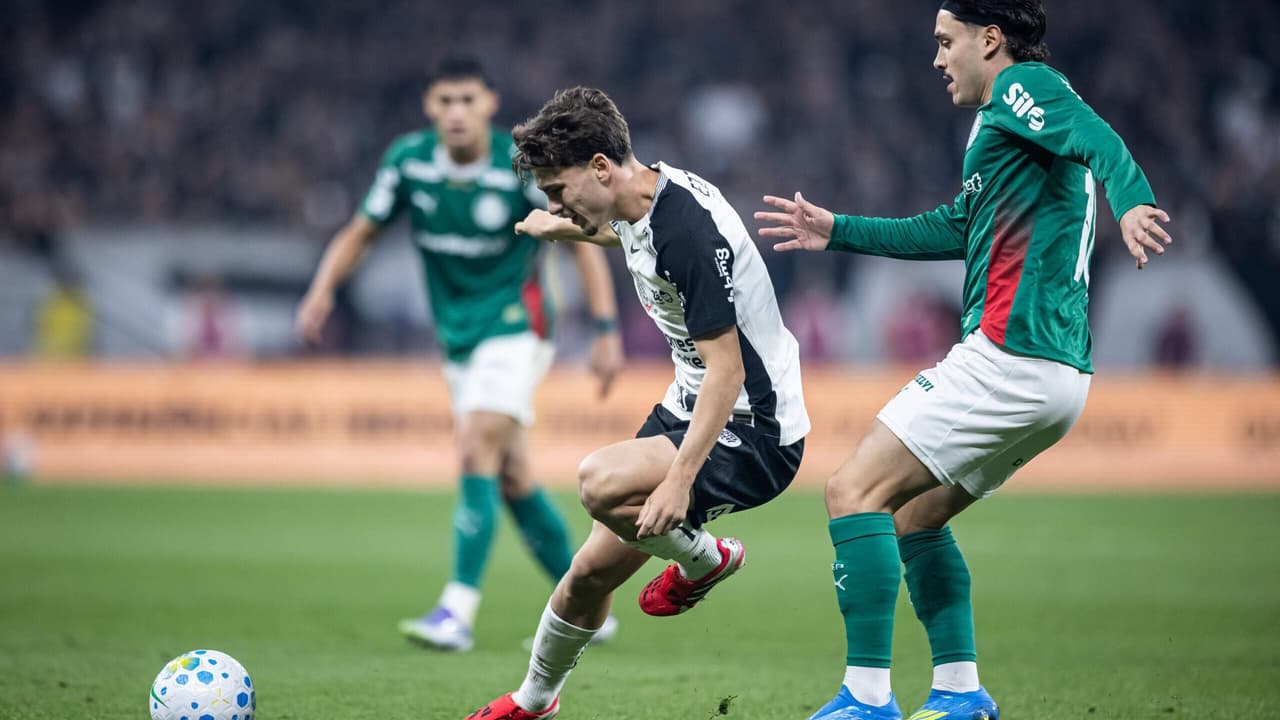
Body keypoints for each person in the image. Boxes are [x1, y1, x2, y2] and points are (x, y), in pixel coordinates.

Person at [755, 2, 1172, 718]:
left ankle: (866, 698)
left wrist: (1132, 202)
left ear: (991, 39)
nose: (938, 58)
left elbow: (1099, 139)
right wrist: (841, 229)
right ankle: (958, 693)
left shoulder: (1024, 88)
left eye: (946, 43)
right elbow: (958, 225)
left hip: (1010, 353)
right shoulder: (1001, 123)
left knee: (853, 491)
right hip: (1057, 375)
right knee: (914, 513)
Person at [464, 86, 810, 720]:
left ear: (600, 166)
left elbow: (727, 373)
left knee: (598, 482)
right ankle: (533, 703)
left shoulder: (687, 234)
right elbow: (625, 236)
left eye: (557, 189)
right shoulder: (641, 196)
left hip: (755, 429)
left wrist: (678, 483)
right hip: (690, 405)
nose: (553, 202)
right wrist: (564, 227)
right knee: (589, 573)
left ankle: (705, 561)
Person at [296, 56, 625, 653]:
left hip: (516, 326)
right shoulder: (409, 162)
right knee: (512, 474)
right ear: (429, 106)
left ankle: (457, 610)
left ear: (490, 104)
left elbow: (580, 240)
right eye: (445, 101)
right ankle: (590, 610)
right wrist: (321, 291)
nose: (456, 112)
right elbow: (361, 230)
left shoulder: (518, 165)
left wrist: (604, 329)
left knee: (476, 445)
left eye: (467, 100)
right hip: (458, 338)